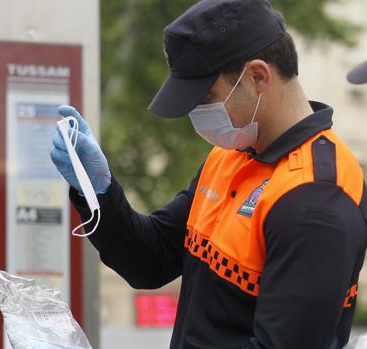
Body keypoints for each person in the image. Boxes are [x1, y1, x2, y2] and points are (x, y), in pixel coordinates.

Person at [51, 0, 367, 348]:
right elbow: (152, 260)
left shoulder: (315, 196)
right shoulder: (232, 156)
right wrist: (96, 190)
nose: (198, 113)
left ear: (258, 76)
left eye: (207, 98)